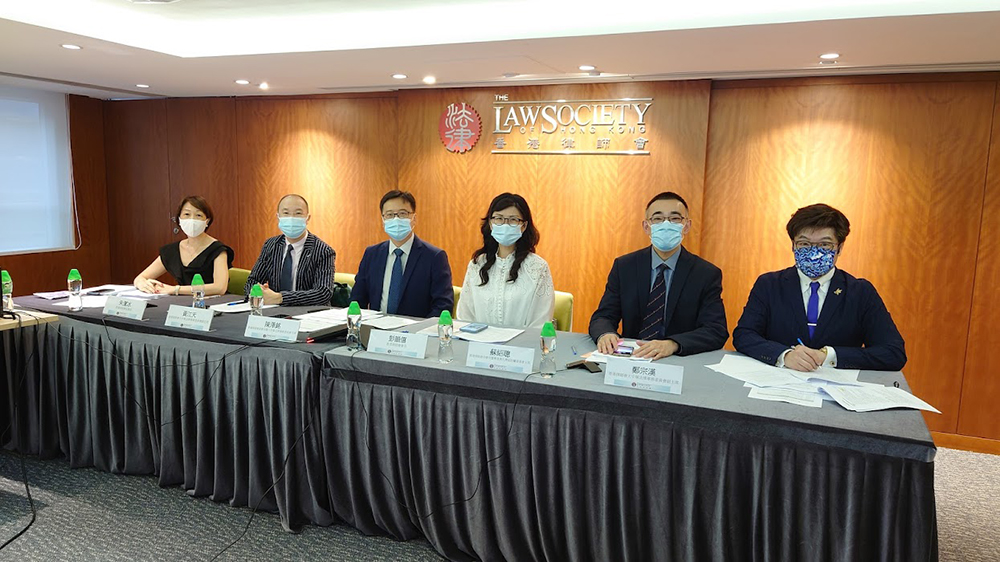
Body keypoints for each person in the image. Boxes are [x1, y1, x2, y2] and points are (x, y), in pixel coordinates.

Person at [733, 204, 906, 371]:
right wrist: (784, 355)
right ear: (793, 246)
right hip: (777, 381)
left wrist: (828, 356)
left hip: (837, 386)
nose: (814, 253)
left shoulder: (860, 292)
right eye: (804, 244)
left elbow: (893, 352)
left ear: (840, 248)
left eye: (824, 245)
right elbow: (744, 335)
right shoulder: (769, 284)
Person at [589, 192, 728, 360]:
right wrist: (605, 334)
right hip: (633, 358)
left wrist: (673, 344)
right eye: (658, 218)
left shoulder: (705, 273)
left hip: (678, 360)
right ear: (646, 226)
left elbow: (715, 330)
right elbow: (603, 316)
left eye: (675, 218)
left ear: (686, 226)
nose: (666, 224)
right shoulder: (625, 267)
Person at [457, 193, 554, 329]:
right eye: (499, 218)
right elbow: (465, 316)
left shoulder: (538, 267)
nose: (505, 225)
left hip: (523, 341)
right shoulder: (477, 264)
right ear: (491, 223)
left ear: (524, 225)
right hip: (478, 341)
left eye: (513, 220)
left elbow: (540, 322)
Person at [350, 190, 453, 317]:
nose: (396, 219)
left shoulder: (434, 257)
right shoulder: (372, 254)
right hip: (375, 326)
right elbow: (357, 300)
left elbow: (442, 306)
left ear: (414, 219)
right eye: (389, 215)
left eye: (403, 214)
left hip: (417, 328)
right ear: (383, 220)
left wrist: (421, 328)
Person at [244, 194, 335, 306]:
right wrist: (258, 293)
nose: (291, 218)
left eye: (298, 213)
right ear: (278, 217)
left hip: (308, 312)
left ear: (307, 218)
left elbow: (323, 293)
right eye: (286, 213)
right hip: (274, 311)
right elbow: (252, 281)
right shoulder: (271, 245)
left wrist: (280, 298)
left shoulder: (323, 251)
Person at [134, 196, 233, 296]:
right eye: (187, 214)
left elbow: (220, 288)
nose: (192, 219)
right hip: (183, 302)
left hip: (212, 302)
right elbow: (141, 277)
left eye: (198, 215)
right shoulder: (172, 250)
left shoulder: (218, 250)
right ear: (179, 219)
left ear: (207, 221)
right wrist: (141, 283)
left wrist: (175, 289)